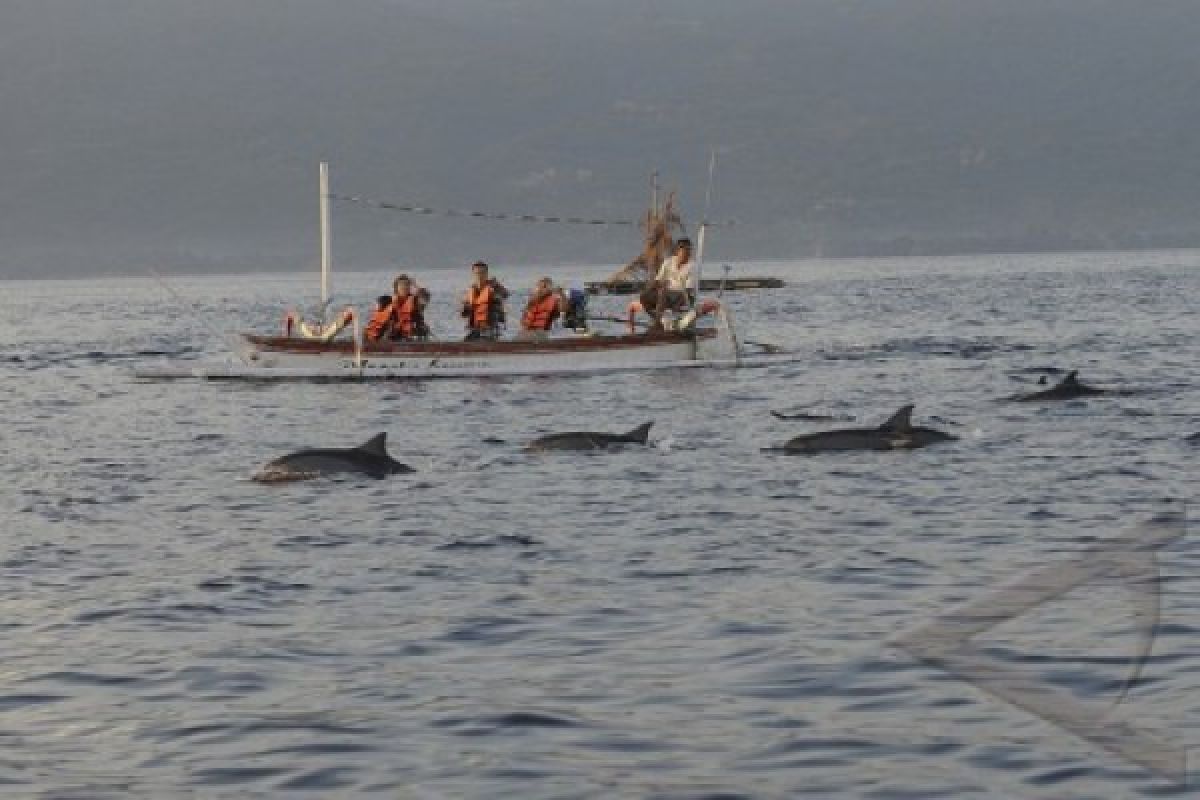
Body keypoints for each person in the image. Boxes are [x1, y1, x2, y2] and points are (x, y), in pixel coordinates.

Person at [639, 237, 695, 330]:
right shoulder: (668, 262)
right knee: (644, 296)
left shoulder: (692, 266)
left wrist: (676, 305)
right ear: (678, 250)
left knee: (663, 293)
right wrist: (649, 291)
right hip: (667, 294)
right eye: (685, 250)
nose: (687, 253)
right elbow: (658, 280)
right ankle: (659, 320)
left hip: (682, 294)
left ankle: (657, 324)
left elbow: (688, 290)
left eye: (689, 251)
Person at [461, 260, 509, 340]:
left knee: (485, 338)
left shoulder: (493, 286)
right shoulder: (471, 291)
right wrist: (464, 307)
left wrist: (496, 290)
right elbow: (464, 314)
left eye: (482, 273)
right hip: (476, 328)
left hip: (490, 327)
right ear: (473, 274)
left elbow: (505, 294)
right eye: (477, 273)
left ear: (486, 274)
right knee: (467, 340)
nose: (480, 276)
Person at [389, 273, 430, 340]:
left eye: (407, 285)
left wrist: (416, 286)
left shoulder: (415, 301)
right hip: (396, 335)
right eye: (402, 285)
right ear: (396, 288)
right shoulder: (390, 303)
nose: (404, 287)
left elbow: (425, 298)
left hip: (414, 334)